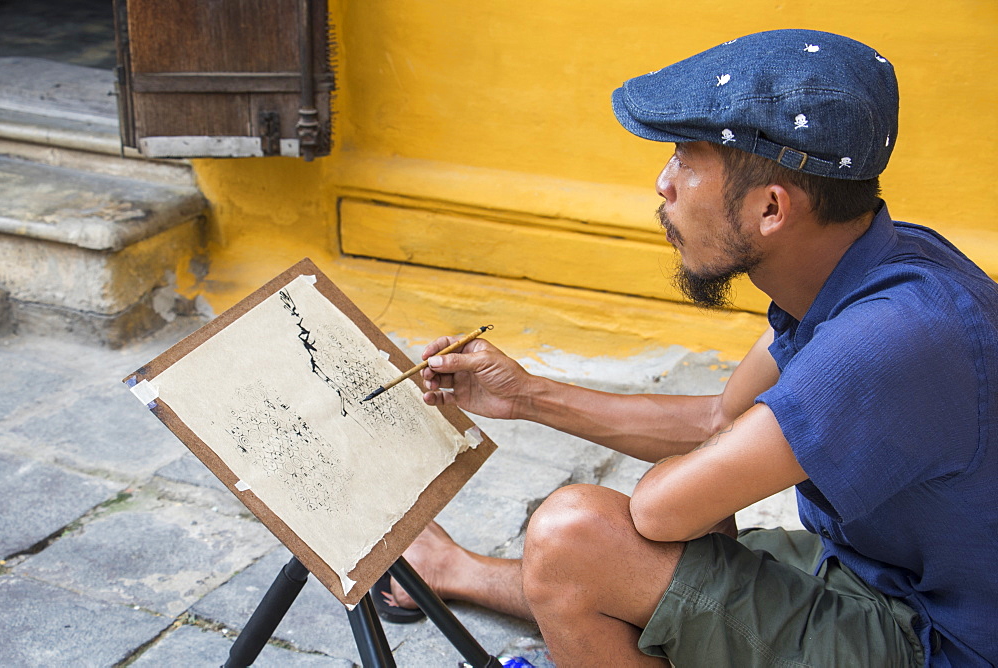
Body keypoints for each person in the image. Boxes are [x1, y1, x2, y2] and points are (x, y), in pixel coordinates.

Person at [385, 29, 998, 667]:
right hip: (877, 573)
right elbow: (721, 420)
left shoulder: (891, 337)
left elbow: (660, 510)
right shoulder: (876, 261)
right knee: (610, 560)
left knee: (576, 537)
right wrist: (526, 396)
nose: (663, 183)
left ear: (770, 208)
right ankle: (457, 571)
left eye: (686, 158)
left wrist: (702, 502)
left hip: (935, 640)